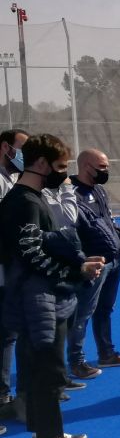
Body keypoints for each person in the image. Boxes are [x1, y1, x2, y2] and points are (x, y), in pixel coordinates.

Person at [0, 133, 103, 438]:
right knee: (46, 370)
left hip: (37, 296)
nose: (64, 173)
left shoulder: (31, 196)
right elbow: (31, 252)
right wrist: (77, 272)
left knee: (39, 369)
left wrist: (75, 263)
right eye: (60, 166)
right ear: (41, 163)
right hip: (36, 299)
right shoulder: (26, 201)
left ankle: (46, 434)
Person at [66, 149, 120, 381]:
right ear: (87, 166)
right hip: (93, 263)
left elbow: (108, 220)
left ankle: (106, 353)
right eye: (102, 167)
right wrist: (82, 259)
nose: (106, 171)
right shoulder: (70, 193)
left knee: (105, 309)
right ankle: (76, 361)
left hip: (114, 259)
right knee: (83, 312)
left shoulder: (99, 190)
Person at [0, 128, 29, 416]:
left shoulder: (12, 179)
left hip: (9, 271)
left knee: (8, 335)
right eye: (22, 149)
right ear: (6, 147)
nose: (25, 156)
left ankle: (4, 396)